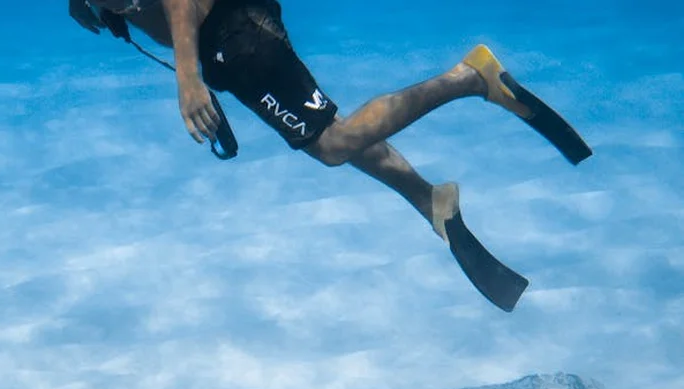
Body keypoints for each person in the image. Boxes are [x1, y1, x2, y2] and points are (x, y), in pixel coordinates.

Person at [67, 0, 591, 311]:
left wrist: (188, 77)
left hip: (232, 34)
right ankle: (429, 198)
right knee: (330, 131)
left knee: (332, 146)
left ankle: (469, 79)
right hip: (226, 41)